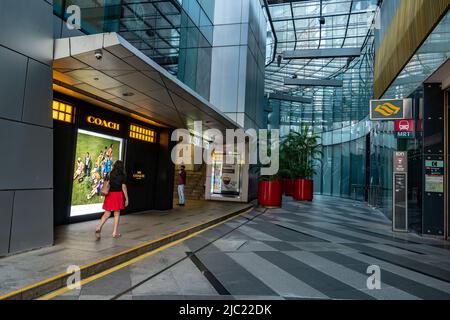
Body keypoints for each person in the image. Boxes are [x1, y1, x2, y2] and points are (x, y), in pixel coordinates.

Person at [95, 160, 129, 239]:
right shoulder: (123, 175)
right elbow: (123, 187)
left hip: (109, 195)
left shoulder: (110, 173)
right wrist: (126, 198)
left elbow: (106, 183)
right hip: (118, 195)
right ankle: (114, 232)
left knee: (107, 213)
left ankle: (98, 227)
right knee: (116, 214)